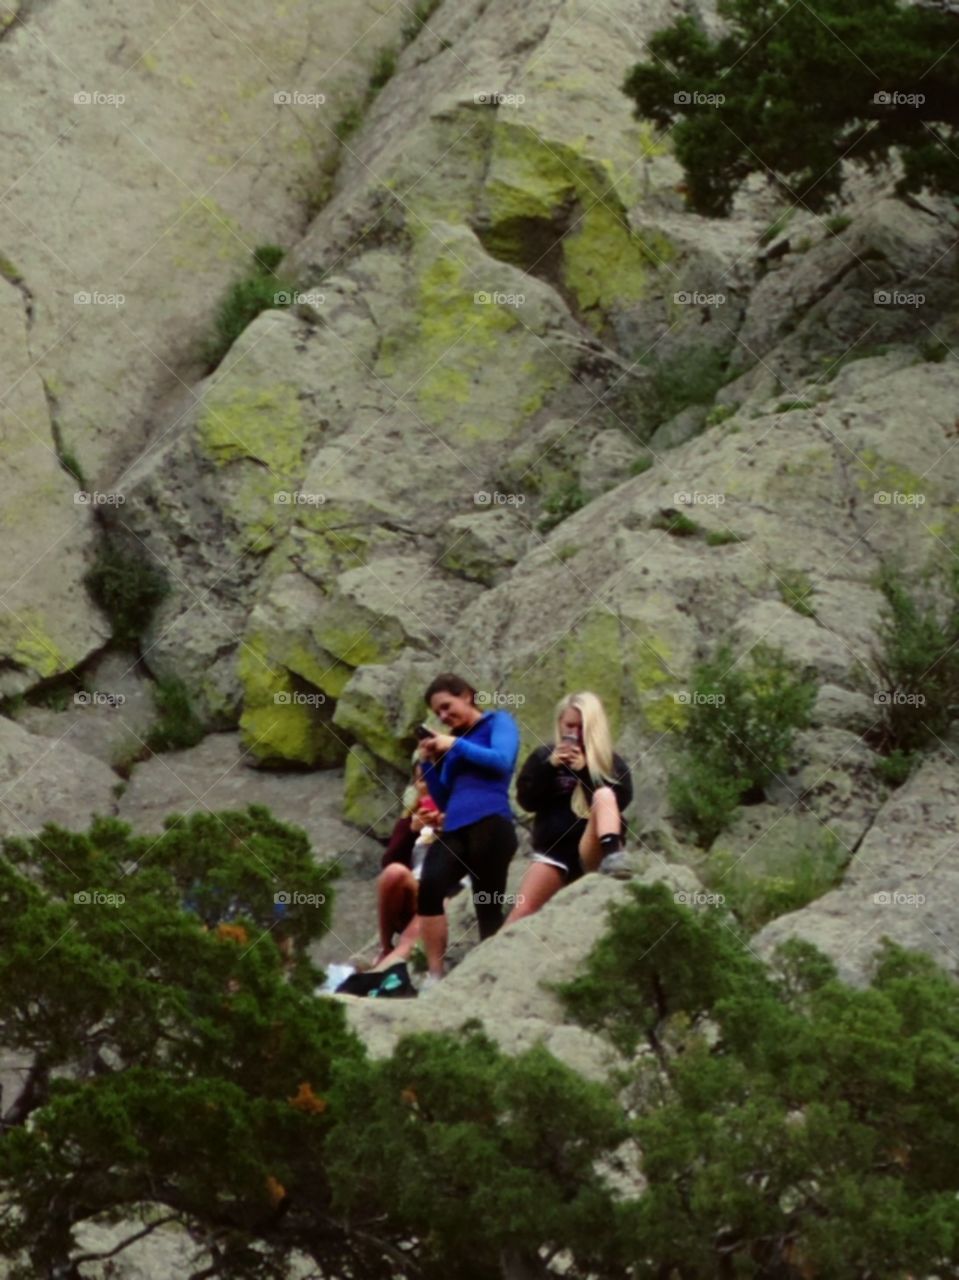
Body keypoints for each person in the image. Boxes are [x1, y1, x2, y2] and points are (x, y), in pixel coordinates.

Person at [415, 672, 520, 987]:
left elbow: (502, 761)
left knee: (486, 904)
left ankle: (493, 981)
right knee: (430, 886)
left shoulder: (498, 722)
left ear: (467, 695)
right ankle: (435, 975)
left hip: (491, 822)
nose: (445, 716)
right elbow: (446, 797)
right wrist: (430, 764)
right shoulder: (453, 744)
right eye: (439, 714)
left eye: (447, 706)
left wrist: (455, 744)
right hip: (457, 828)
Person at [505, 691, 633, 925]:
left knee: (604, 794)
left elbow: (621, 799)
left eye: (581, 726)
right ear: (560, 725)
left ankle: (613, 856)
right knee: (523, 911)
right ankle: (496, 958)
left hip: (591, 846)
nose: (573, 733)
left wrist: (585, 771)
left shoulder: (610, 761)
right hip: (554, 850)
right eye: (569, 725)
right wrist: (549, 768)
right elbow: (527, 801)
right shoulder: (543, 756)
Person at [372, 760, 443, 968]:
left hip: (445, 893)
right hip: (413, 890)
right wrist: (410, 832)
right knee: (394, 873)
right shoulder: (409, 821)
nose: (427, 785)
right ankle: (385, 946)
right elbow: (388, 863)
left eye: (433, 778)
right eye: (421, 780)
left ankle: (392, 963)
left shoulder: (461, 814)